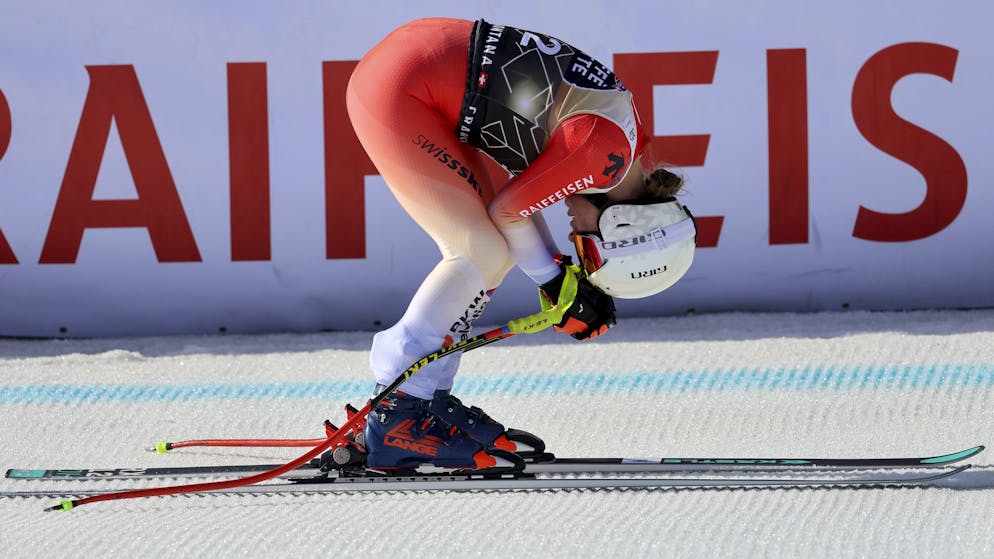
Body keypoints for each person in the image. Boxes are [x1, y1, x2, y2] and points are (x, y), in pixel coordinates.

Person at [346, 18, 696, 471]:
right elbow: (509, 214)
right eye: (590, 252)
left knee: (491, 249)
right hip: (404, 87)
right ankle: (398, 411)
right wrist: (554, 279)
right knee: (480, 252)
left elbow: (517, 206)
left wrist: (554, 274)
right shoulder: (600, 159)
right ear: (623, 226)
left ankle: (422, 397)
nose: (575, 238)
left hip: (423, 74)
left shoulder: (622, 154)